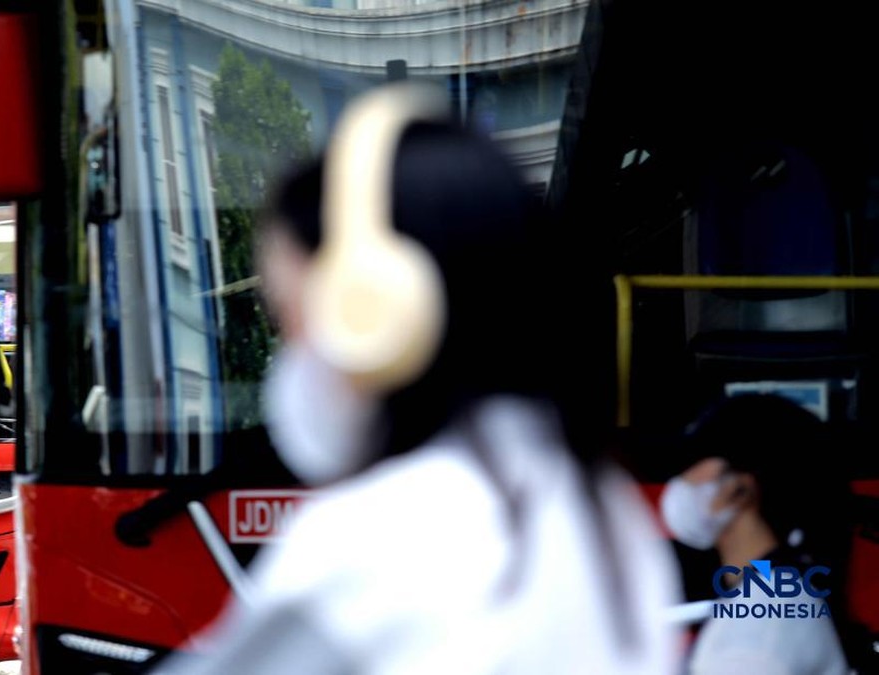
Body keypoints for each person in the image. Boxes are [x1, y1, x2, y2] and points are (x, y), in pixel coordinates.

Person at [155, 84, 683, 673]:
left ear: (376, 317)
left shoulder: (381, 537)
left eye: (291, 318)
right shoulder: (604, 514)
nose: (294, 358)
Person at [662, 394, 861, 674]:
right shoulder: (776, 600)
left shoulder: (758, 630)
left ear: (739, 488)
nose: (682, 478)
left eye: (695, 461)